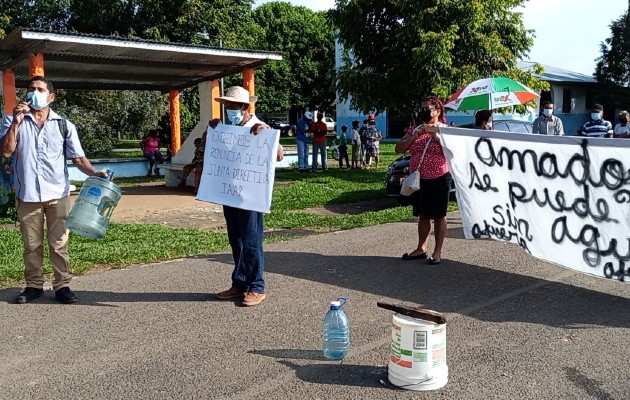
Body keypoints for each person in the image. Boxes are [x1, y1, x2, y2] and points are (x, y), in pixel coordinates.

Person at [0, 76, 108, 304]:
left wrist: (95, 172)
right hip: (27, 194)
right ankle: (33, 285)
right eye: (30, 89)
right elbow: (6, 152)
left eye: (40, 89)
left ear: (51, 97)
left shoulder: (64, 124)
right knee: (31, 245)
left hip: (57, 194)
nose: (33, 93)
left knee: (59, 243)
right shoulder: (11, 119)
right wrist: (16, 124)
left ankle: (62, 286)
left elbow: (78, 158)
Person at [208, 86, 284, 307]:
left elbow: (279, 155)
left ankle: (256, 286)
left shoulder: (257, 126)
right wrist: (212, 132)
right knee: (236, 240)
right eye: (227, 106)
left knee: (251, 241)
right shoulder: (227, 128)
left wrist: (268, 135)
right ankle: (240, 282)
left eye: (232, 106)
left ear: (244, 107)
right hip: (231, 194)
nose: (229, 109)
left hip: (251, 196)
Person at [395, 96, 452, 265]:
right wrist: (414, 136)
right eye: (422, 108)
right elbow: (398, 148)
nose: (424, 112)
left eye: (427, 108)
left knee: (439, 215)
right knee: (423, 215)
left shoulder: (446, 130)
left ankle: (437, 251)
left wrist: (438, 138)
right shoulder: (415, 129)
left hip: (439, 177)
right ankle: (421, 248)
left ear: (438, 111)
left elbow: (455, 154)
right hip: (419, 179)